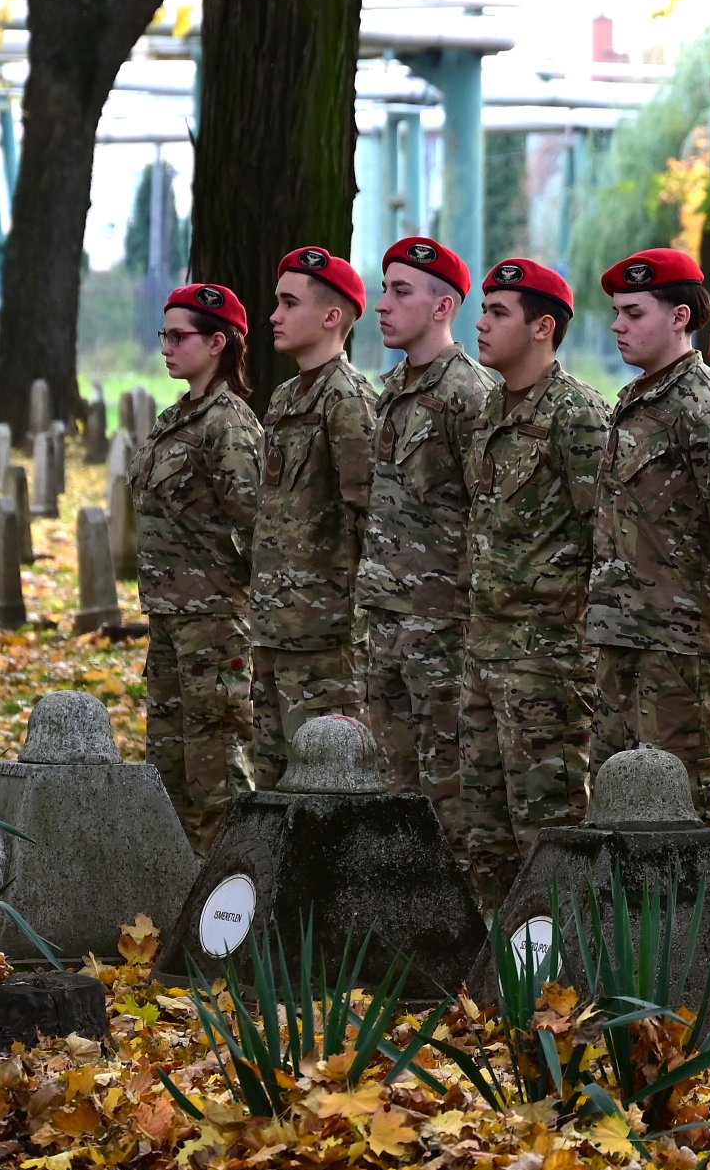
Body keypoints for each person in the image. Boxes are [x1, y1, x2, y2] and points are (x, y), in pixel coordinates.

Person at [586, 249, 710, 823]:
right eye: (617, 312)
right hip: (621, 638)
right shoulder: (638, 400)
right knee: (613, 811)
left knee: (683, 814)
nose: (618, 325)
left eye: (634, 313)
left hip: (680, 650)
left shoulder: (705, 406)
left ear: (679, 317)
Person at [459, 258, 609, 912]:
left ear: (542, 327)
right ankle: (501, 962)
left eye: (499, 313)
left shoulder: (578, 416)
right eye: (484, 309)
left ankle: (565, 963)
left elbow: (604, 535)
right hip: (485, 654)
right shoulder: (492, 410)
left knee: (549, 835)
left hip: (546, 665)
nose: (482, 324)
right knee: (485, 838)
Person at [356, 237, 493, 850]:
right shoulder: (392, 392)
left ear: (443, 307)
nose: (382, 304)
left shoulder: (470, 395)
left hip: (443, 629)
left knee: (448, 796)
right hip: (385, 618)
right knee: (390, 793)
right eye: (384, 289)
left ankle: (453, 909)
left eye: (400, 291)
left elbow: (486, 512)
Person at [132, 282, 262, 852]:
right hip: (169, 615)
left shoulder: (228, 424)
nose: (166, 347)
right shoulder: (175, 417)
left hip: (214, 623)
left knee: (217, 771)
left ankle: (231, 883)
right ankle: (181, 883)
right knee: (168, 769)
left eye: (178, 336)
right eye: (164, 334)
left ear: (216, 343)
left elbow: (256, 521)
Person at [249, 246, 378, 786]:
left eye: (289, 303)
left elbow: (368, 515)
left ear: (331, 317)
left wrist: (357, 621)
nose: (274, 316)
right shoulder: (284, 398)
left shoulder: (347, 400)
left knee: (325, 786)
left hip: (324, 639)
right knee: (270, 780)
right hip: (273, 628)